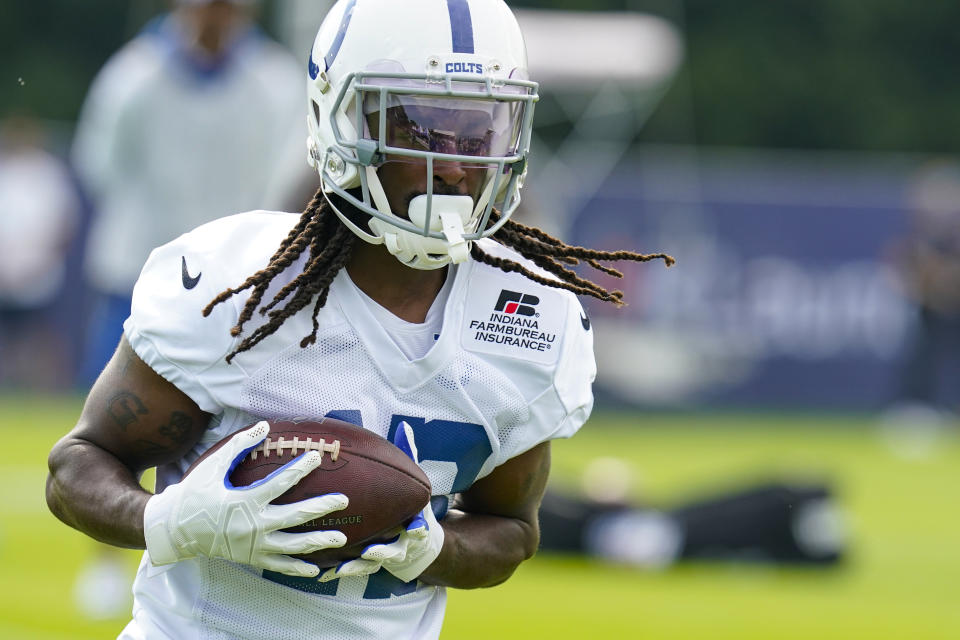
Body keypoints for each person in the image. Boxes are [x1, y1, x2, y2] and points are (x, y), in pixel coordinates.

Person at [46, 1, 673, 638]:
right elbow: (78, 464)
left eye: (478, 130)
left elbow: (512, 530)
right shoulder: (234, 284)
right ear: (336, 117)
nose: (453, 163)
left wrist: (436, 551)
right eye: (421, 127)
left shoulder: (530, 316)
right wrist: (171, 521)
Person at [72, 0, 310, 386]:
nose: (214, 19)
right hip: (138, 263)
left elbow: (288, 168)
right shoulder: (133, 74)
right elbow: (99, 161)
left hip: (234, 271)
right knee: (110, 396)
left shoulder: (276, 80)